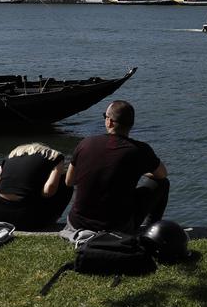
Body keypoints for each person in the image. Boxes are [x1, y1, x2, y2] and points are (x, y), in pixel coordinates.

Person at [62, 100, 169, 239]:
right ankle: (151, 231)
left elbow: (69, 181)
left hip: (77, 223)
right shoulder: (140, 150)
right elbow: (162, 174)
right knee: (163, 183)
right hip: (117, 226)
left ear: (110, 122)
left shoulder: (85, 143)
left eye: (104, 117)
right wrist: (139, 170)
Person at [0, 142, 72, 230]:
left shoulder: (12, 155)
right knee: (66, 181)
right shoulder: (55, 157)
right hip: (29, 219)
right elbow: (48, 191)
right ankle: (52, 219)